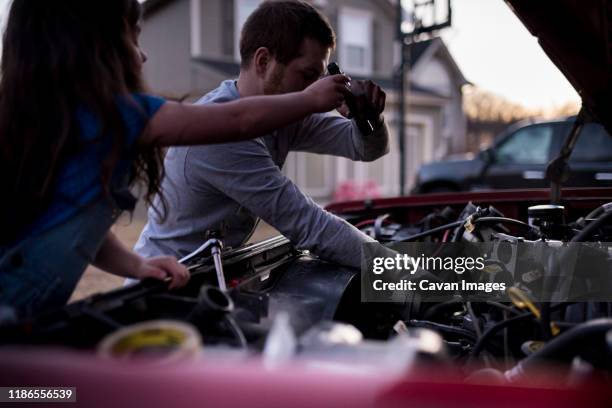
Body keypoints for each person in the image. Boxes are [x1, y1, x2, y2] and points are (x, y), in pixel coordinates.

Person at [0, 0, 349, 317]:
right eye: (133, 39)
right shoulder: (124, 117)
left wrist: (135, 266)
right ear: (95, 47)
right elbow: (237, 120)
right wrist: (310, 100)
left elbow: (78, 223)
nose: (143, 56)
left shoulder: (44, 125)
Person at [134, 1, 389, 270]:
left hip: (220, 271)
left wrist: (368, 117)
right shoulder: (220, 131)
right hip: (162, 286)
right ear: (264, 61)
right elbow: (309, 225)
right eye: (307, 75)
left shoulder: (290, 112)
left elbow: (366, 149)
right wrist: (412, 277)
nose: (316, 89)